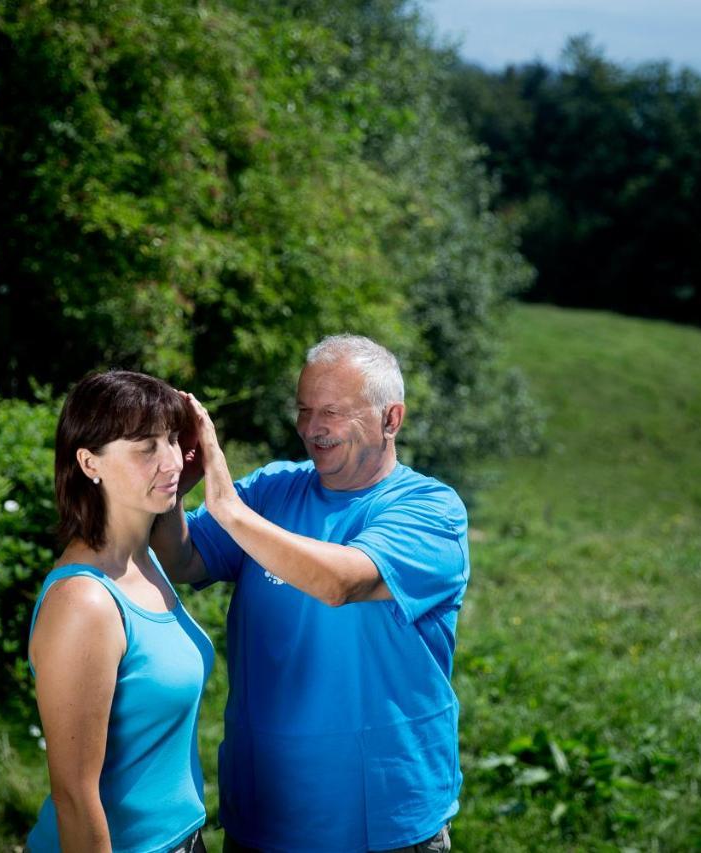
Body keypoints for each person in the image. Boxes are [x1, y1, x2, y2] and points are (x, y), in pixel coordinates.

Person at [153, 334, 468, 853]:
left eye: (332, 412)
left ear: (391, 419)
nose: (312, 429)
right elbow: (181, 559)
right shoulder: (273, 488)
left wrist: (230, 510)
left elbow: (342, 582)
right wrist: (172, 491)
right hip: (263, 812)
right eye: (303, 409)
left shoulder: (431, 510)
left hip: (382, 825)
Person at [27, 370, 214, 853]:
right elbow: (73, 795)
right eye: (145, 446)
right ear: (90, 462)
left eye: (172, 440)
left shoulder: (145, 561)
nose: (171, 459)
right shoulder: (85, 602)